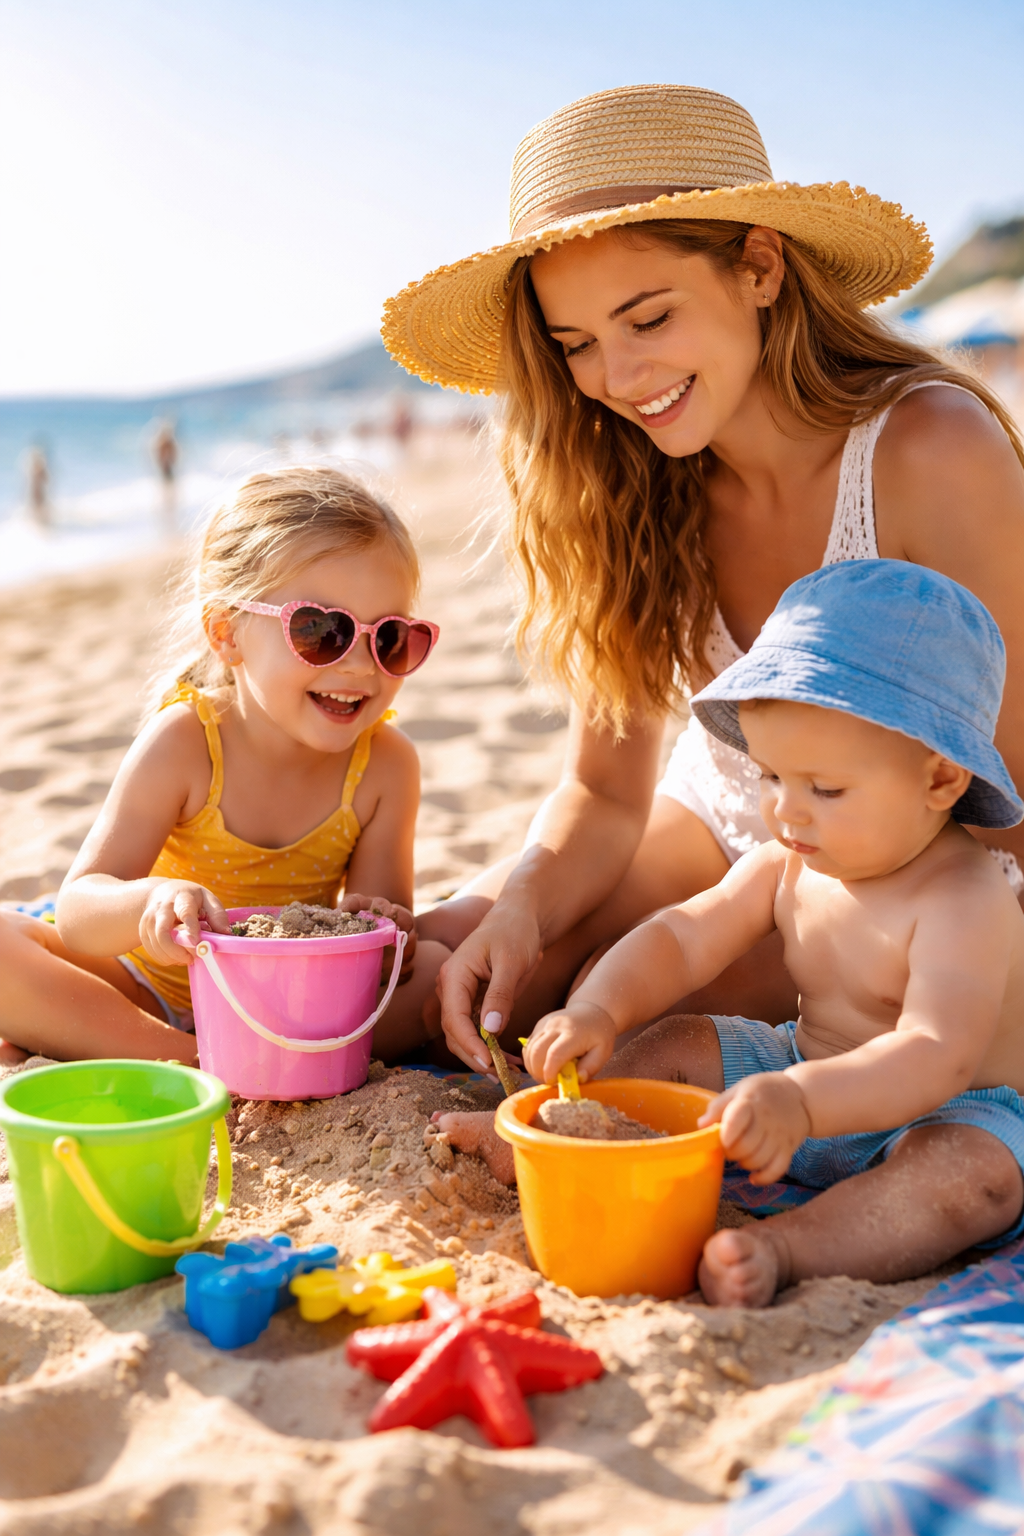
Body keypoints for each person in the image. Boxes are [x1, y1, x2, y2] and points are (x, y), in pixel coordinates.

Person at [381, 84, 1024, 1072]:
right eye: (578, 345)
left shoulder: (927, 449)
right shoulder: (629, 479)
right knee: (456, 971)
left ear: (759, 266)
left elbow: (1006, 815)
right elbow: (602, 790)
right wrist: (516, 906)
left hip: (904, 866)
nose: (617, 378)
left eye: (646, 318)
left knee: (623, 1027)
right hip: (713, 813)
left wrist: (817, 948)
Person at [447, 561, 1024, 1306]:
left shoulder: (966, 899)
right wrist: (600, 1009)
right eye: (771, 777)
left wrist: (805, 1104)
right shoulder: (790, 860)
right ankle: (548, 1128)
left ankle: (785, 1247)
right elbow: (683, 937)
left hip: (946, 1111)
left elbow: (933, 1056)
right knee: (677, 1041)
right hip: (793, 1067)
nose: (787, 812)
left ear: (940, 782)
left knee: (973, 1183)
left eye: (825, 788)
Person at [0, 466, 448, 1066]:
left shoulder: (386, 767)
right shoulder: (187, 743)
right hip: (147, 994)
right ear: (226, 634)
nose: (361, 667)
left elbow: (384, 954)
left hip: (293, 1005)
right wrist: (151, 901)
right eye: (321, 632)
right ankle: (193, 1058)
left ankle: (228, 1058)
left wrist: (384, 928)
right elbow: (80, 910)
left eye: (389, 637)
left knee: (442, 971)